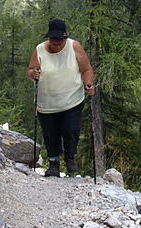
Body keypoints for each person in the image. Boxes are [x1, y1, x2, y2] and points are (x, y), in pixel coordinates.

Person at [26, 19, 95, 177]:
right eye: (53, 38)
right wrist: (33, 73)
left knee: (71, 129)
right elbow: (30, 70)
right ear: (48, 37)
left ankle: (70, 157)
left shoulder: (74, 47)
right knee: (50, 133)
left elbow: (86, 69)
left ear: (65, 37)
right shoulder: (39, 50)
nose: (56, 41)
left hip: (72, 100)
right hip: (47, 103)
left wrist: (89, 84)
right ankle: (54, 164)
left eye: (59, 38)